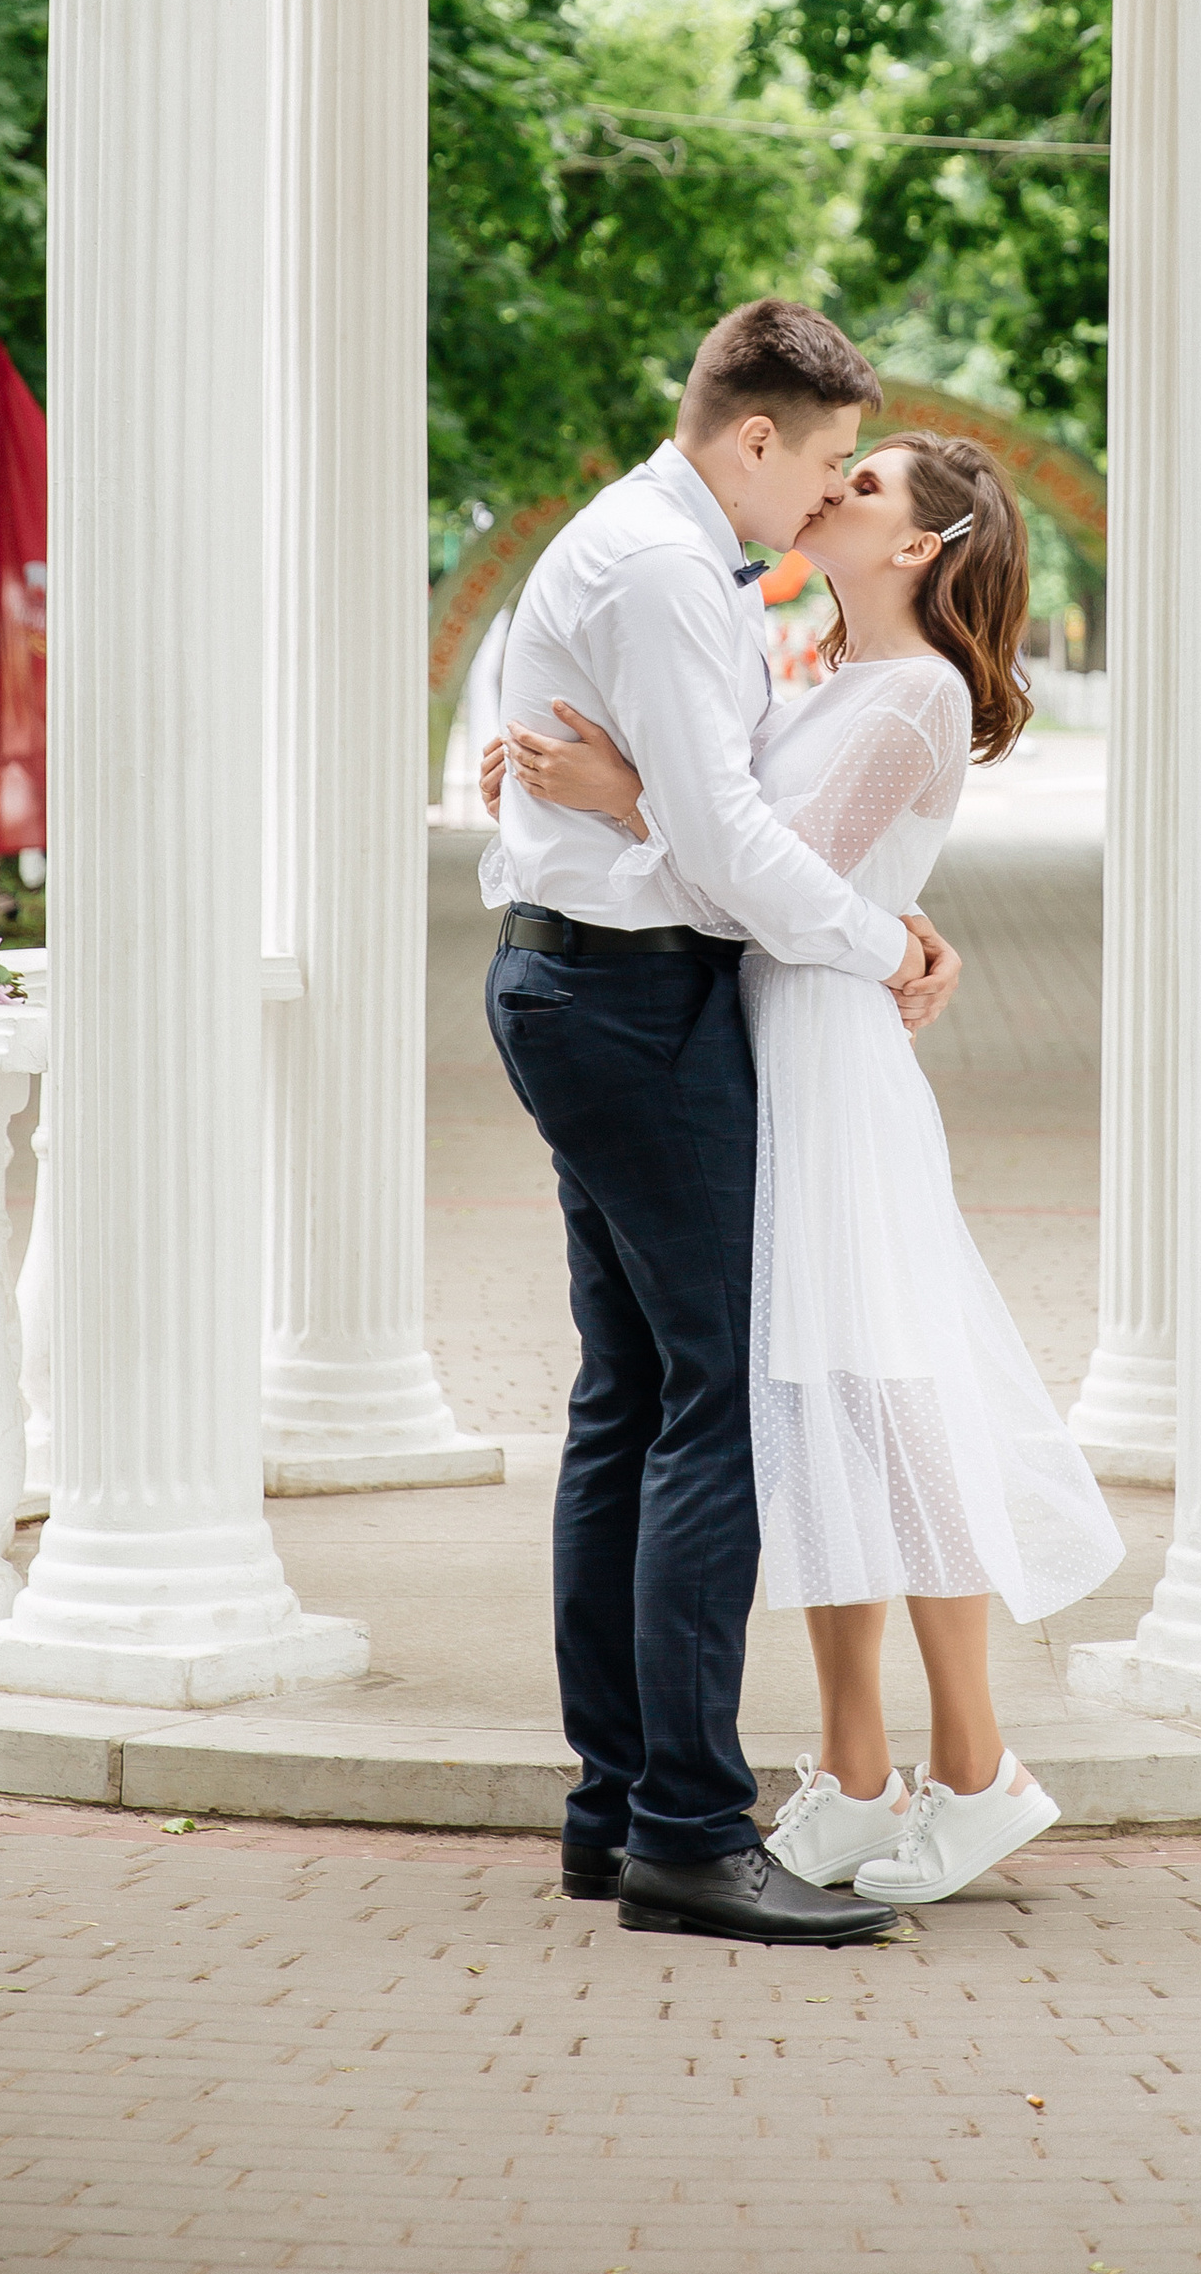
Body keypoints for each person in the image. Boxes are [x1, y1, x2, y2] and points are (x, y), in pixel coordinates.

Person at [498, 428, 1124, 1909]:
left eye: (868, 484)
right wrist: (612, 777)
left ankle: (976, 1766)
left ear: (920, 547)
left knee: (888, 1396)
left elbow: (778, 882)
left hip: (831, 1058)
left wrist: (620, 795)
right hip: (763, 1037)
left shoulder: (914, 696)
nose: (833, 490)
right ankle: (849, 1774)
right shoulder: (826, 669)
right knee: (813, 1409)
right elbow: (751, 833)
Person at [481, 299, 962, 1949]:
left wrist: (652, 816)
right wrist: (887, 939)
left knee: (633, 1401)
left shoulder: (658, 552)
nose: (823, 494)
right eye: (823, 460)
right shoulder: (669, 571)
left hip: (600, 986)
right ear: (753, 437)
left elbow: (714, 815)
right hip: (624, 999)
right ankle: (687, 1827)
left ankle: (618, 1809)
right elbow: (730, 850)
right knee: (715, 1404)